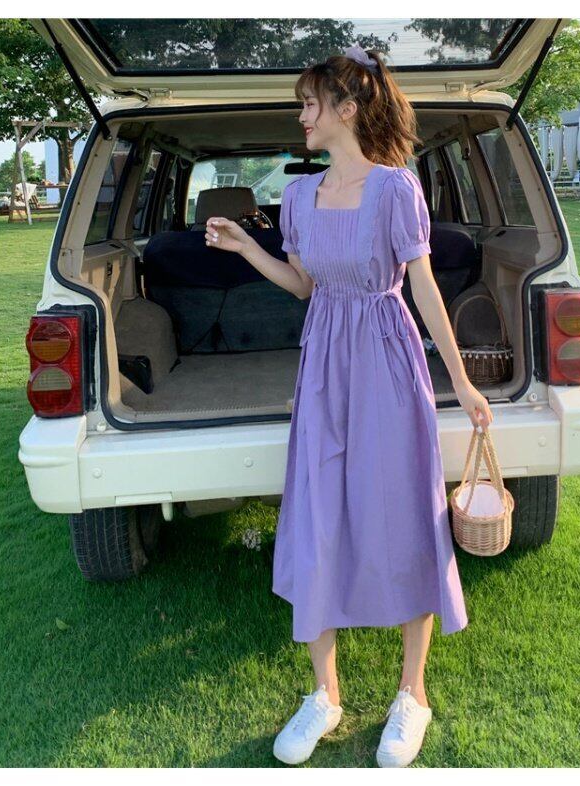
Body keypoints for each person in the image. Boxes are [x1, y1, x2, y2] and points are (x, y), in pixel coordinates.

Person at [204, 42, 493, 768]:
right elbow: (305, 285)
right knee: (318, 512)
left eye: (310, 104)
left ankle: (412, 694)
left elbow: (423, 287)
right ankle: (325, 695)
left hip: (389, 361)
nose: (301, 117)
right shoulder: (301, 196)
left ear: (348, 108)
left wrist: (461, 381)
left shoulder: (396, 190)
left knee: (403, 511)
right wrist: (246, 248)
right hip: (325, 365)